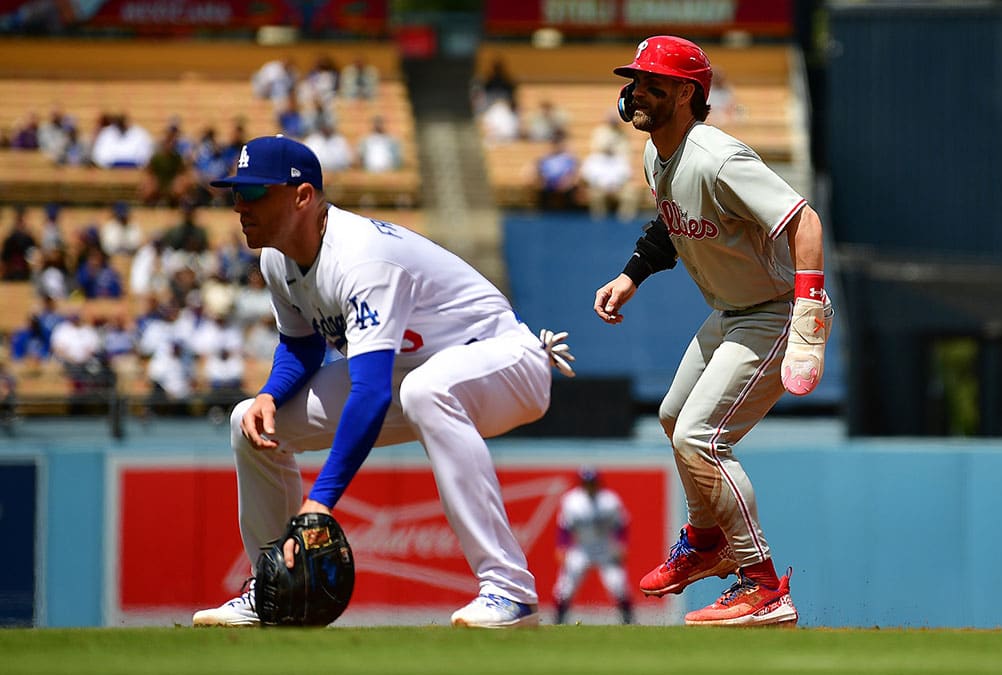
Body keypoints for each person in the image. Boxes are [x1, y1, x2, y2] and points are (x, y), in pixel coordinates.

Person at [191, 135, 574, 629]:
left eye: (256, 193)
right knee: (251, 421)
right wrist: (271, 394)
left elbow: (370, 392)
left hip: (502, 360)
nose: (241, 205)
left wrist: (319, 503)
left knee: (426, 390)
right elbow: (303, 345)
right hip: (409, 373)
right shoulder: (276, 256)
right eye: (237, 193)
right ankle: (272, 591)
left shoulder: (362, 258)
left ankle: (510, 589)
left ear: (303, 196)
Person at [594, 36, 834, 627]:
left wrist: (807, 305)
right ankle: (707, 543)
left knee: (700, 437)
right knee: (675, 419)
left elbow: (804, 220)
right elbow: (671, 223)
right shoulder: (658, 155)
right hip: (732, 311)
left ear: (685, 92)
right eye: (636, 81)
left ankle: (763, 586)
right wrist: (632, 276)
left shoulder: (718, 156)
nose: (637, 91)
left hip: (774, 309)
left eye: (653, 82)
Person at [552, 467, 633, 625]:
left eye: (592, 482)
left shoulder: (609, 500)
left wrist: (621, 544)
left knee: (618, 585)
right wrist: (562, 546)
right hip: (582, 548)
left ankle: (629, 622)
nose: (589, 485)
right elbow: (564, 526)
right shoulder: (572, 501)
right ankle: (558, 622)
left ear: (598, 482)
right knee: (564, 588)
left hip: (605, 547)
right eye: (586, 482)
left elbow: (622, 524)